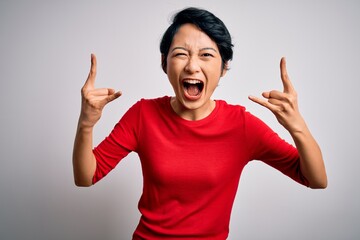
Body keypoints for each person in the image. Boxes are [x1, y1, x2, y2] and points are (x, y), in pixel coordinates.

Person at [73, 7, 327, 239]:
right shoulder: (143, 115)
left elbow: (315, 179)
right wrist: (86, 124)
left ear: (224, 67)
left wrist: (297, 126)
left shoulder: (241, 125)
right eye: (181, 54)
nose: (192, 66)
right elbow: (86, 176)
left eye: (206, 55)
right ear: (164, 63)